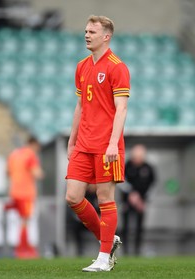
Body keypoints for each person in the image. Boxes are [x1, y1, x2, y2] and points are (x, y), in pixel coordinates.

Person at [65, 15, 130, 272]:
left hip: (106, 145)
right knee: (72, 197)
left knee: (105, 199)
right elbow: (80, 106)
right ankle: (108, 240)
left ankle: (104, 258)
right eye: (85, 31)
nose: (86, 35)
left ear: (106, 36)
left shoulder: (117, 67)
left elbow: (122, 108)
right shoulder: (82, 66)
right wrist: (72, 140)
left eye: (92, 31)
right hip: (83, 143)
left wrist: (114, 143)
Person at [7, 136, 44, 258]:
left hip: (14, 192)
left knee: (22, 221)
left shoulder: (14, 154)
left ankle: (23, 248)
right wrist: (42, 174)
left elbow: (7, 172)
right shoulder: (30, 155)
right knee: (25, 221)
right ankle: (23, 250)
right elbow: (37, 173)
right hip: (26, 193)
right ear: (33, 144)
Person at [121, 144, 155, 255]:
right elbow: (120, 181)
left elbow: (152, 185)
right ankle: (125, 251)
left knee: (139, 227)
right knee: (125, 227)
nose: (138, 159)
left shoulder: (148, 168)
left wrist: (143, 199)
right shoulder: (126, 165)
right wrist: (131, 193)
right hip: (127, 202)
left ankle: (137, 251)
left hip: (141, 203)